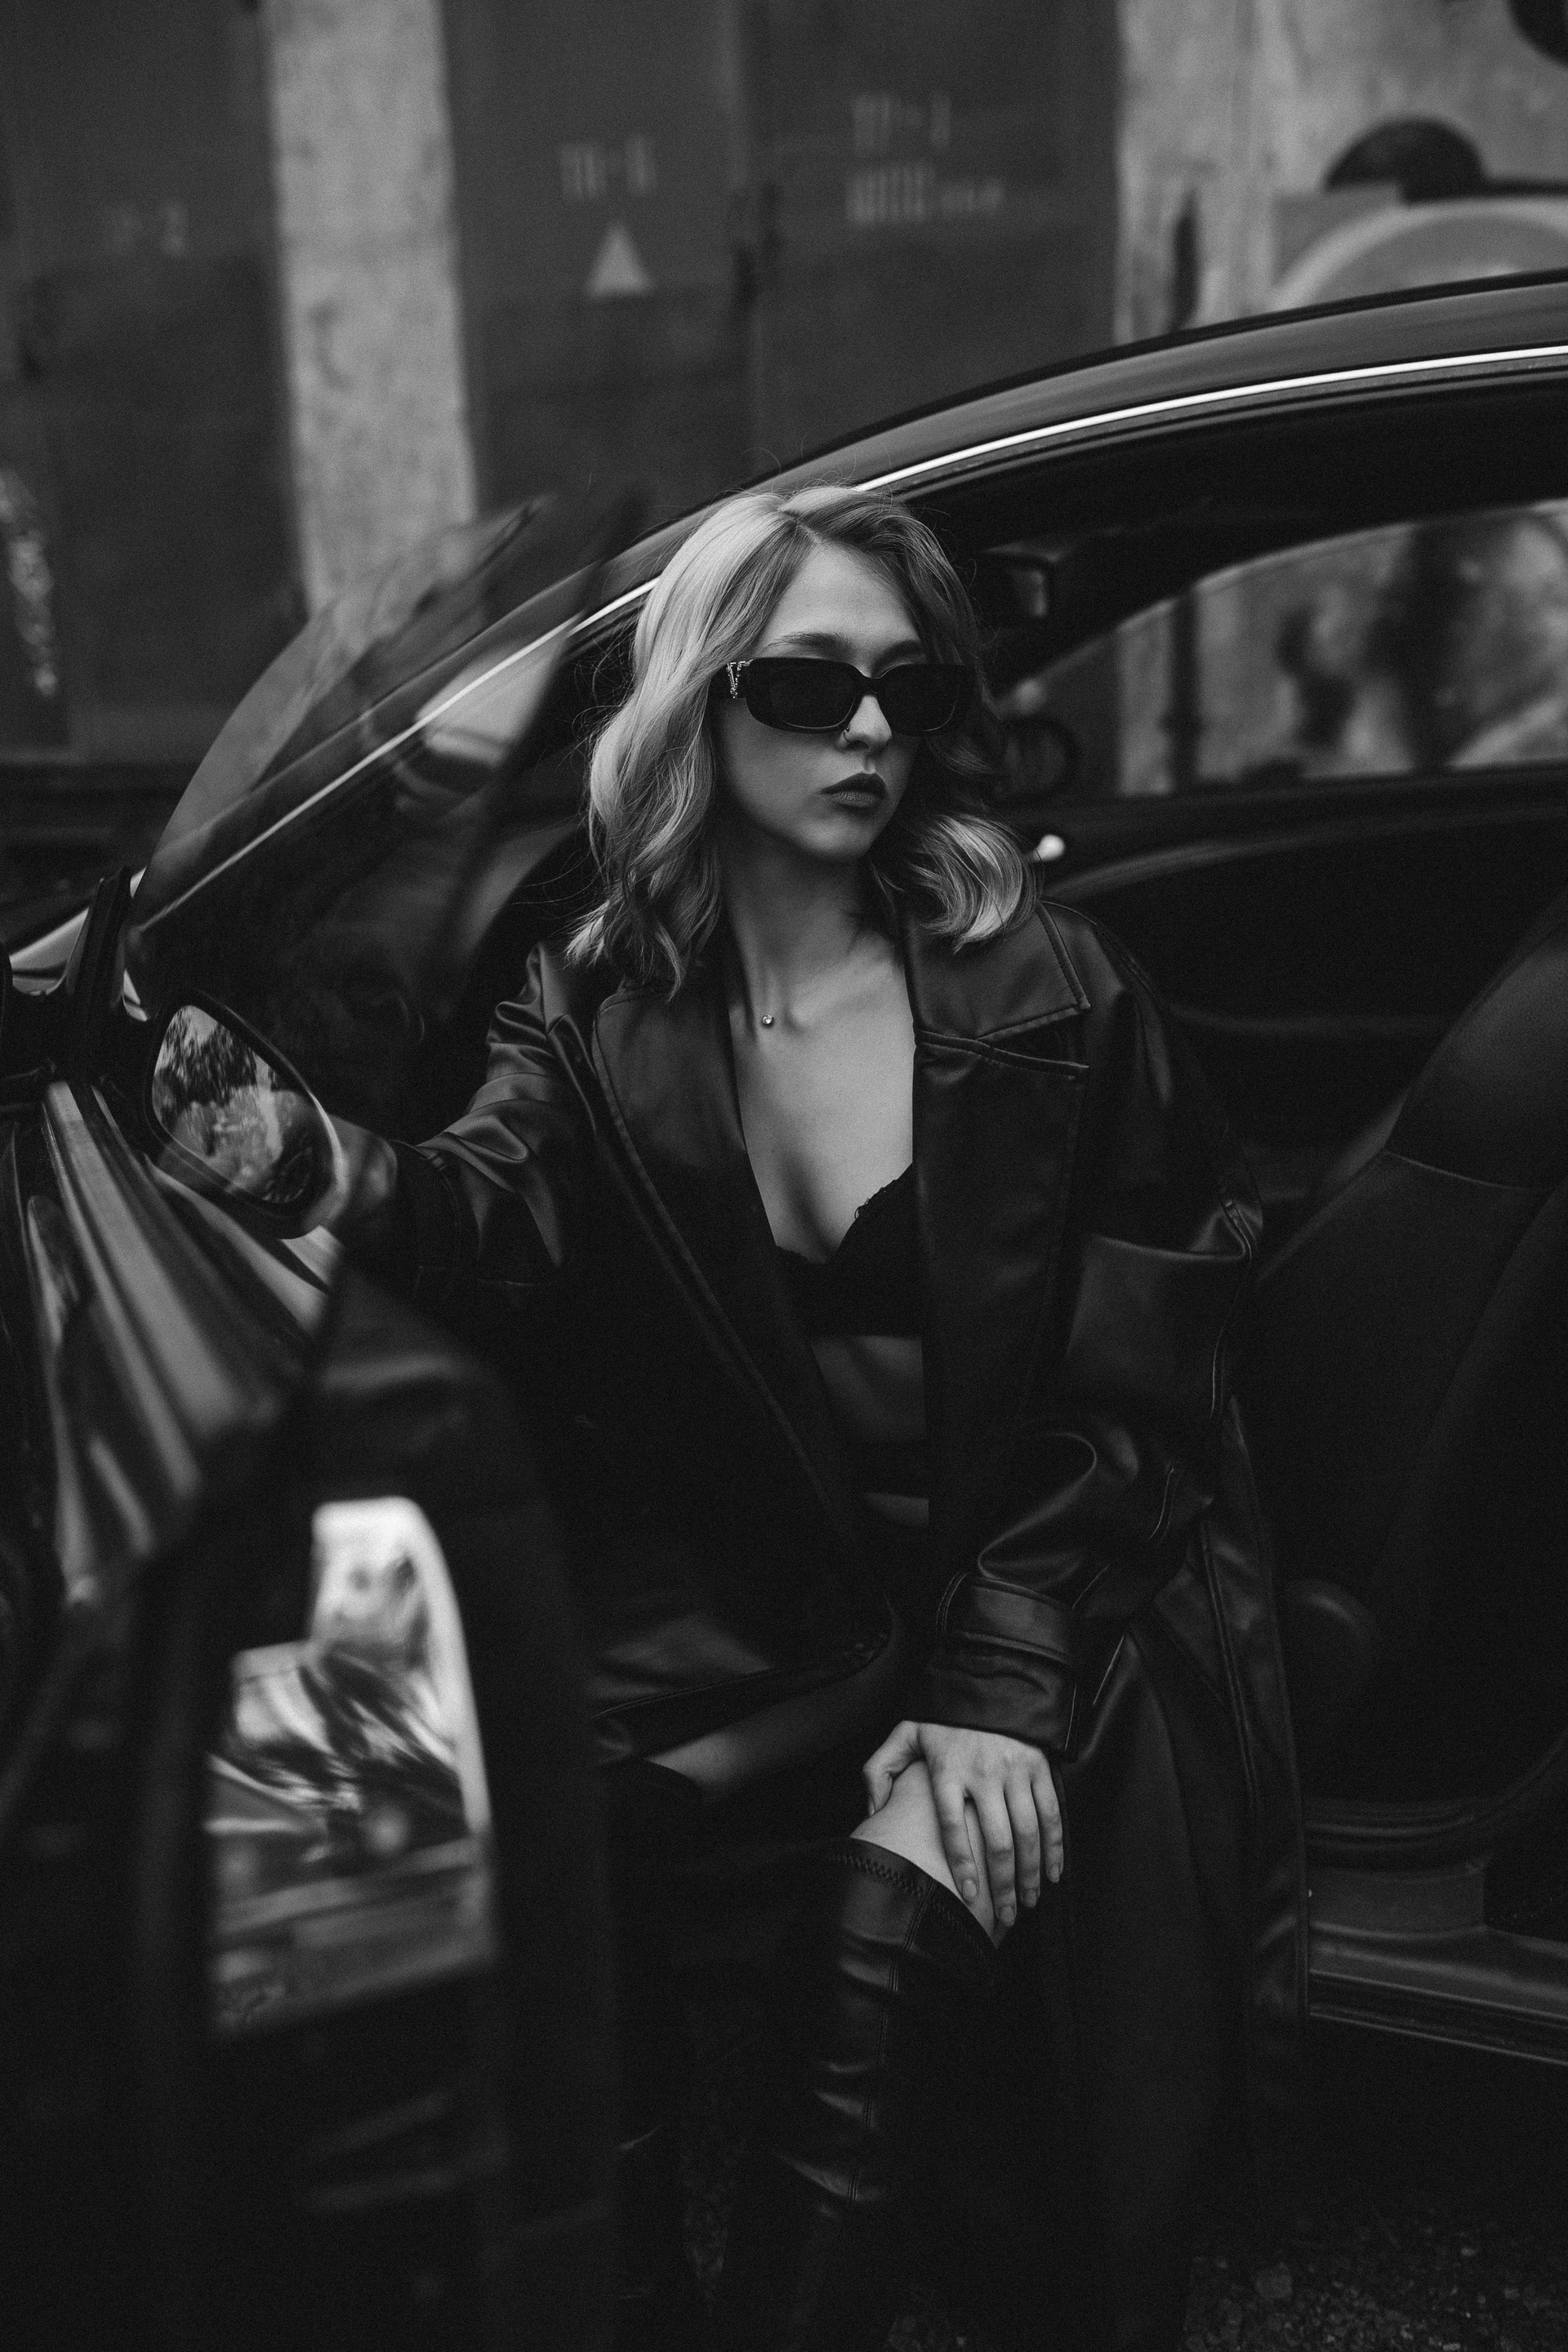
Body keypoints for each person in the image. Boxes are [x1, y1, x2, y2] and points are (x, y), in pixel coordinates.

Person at [354, 485, 1305, 2351]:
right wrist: (311, 1166)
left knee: (884, 1928)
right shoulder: (600, 1004)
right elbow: (485, 1208)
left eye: (907, 686)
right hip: (792, 1599)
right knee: (539, 1819)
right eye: (807, 685)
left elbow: (1143, 1388)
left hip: (1063, 1590)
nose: (869, 727)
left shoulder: (1053, 990)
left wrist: (996, 1682)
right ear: (701, 706)